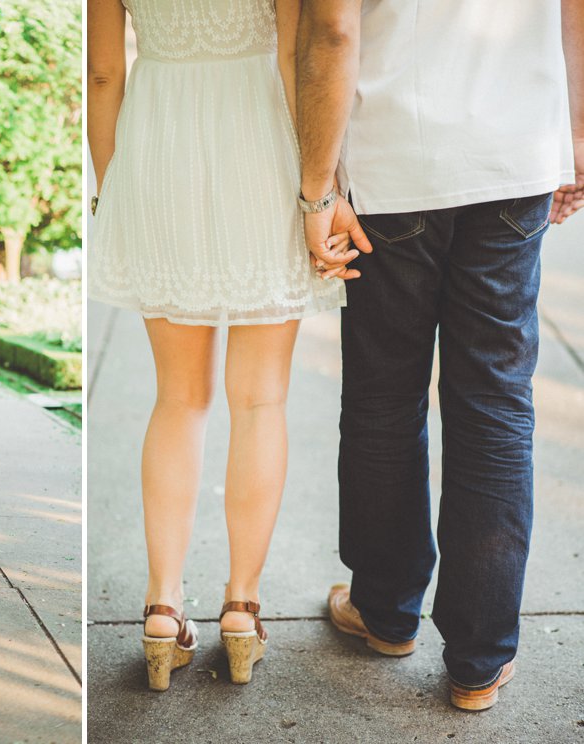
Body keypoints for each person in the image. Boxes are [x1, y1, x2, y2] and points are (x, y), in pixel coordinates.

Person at [296, 0, 584, 711]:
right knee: (494, 403)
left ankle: (385, 611)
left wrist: (315, 190)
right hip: (513, 156)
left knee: (380, 399)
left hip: (396, 160)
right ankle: (478, 660)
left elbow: (332, 27)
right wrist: (575, 129)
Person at [87, 0, 361, 690]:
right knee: (260, 401)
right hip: (264, 152)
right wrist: (324, 190)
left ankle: (161, 607)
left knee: (177, 398)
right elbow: (303, 54)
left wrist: (109, 190)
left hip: (156, 152)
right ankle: (240, 607)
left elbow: (100, 74)